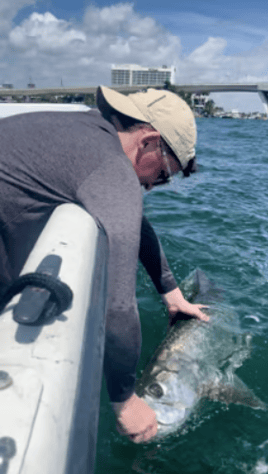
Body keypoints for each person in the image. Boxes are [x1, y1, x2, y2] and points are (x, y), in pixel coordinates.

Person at [0, 85, 208, 444]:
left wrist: (171, 294)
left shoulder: (77, 130)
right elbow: (118, 303)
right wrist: (125, 399)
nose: (150, 186)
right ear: (148, 141)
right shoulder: (113, 167)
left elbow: (135, 223)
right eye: (161, 175)